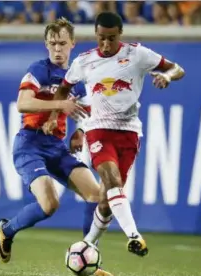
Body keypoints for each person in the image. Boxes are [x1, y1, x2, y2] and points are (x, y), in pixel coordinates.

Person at [43, 11, 185, 256]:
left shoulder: (138, 54)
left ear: (120, 34)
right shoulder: (84, 61)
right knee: (111, 180)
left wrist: (166, 76)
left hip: (129, 132)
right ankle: (134, 235)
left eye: (111, 38)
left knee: (107, 200)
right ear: (95, 35)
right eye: (101, 39)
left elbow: (176, 68)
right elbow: (64, 89)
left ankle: (88, 243)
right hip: (98, 130)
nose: (106, 45)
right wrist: (55, 115)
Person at [0, 17, 114, 276]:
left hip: (56, 148)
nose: (57, 49)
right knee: (49, 205)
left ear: (73, 43)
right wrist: (59, 106)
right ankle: (7, 230)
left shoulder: (78, 80)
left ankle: (90, 253)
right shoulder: (39, 70)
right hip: (29, 145)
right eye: (52, 44)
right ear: (46, 45)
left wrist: (79, 134)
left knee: (96, 196)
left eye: (62, 43)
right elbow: (23, 103)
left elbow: (87, 114)